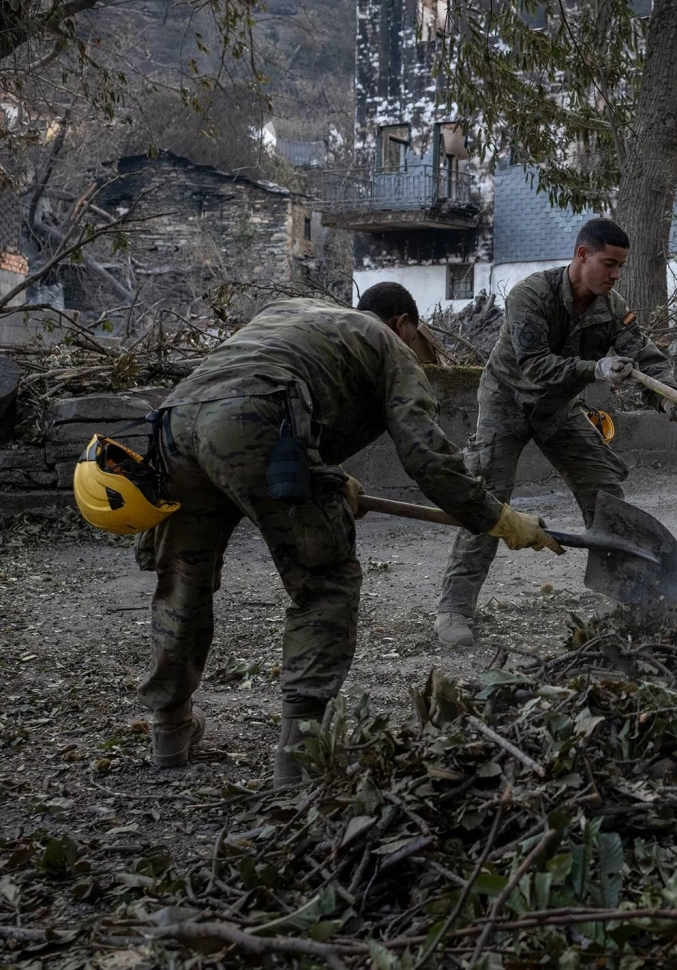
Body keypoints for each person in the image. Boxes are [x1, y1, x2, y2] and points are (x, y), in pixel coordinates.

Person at [131, 283, 559, 786]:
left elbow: (273, 382)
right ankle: (299, 757)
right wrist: (497, 517)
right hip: (259, 419)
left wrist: (328, 475)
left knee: (183, 577)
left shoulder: (292, 311)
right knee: (324, 580)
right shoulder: (390, 344)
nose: (422, 359)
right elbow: (427, 458)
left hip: (174, 422)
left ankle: (169, 730)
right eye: (422, 346)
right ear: (405, 324)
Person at [433, 218, 677, 648]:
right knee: (488, 501)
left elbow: (646, 360)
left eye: (620, 267)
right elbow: (534, 365)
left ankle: (634, 596)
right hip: (507, 403)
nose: (615, 275)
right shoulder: (531, 295)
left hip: (558, 409)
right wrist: (594, 369)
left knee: (604, 490)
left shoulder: (611, 308)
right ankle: (454, 609)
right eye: (608, 264)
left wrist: (669, 400)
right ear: (581, 255)